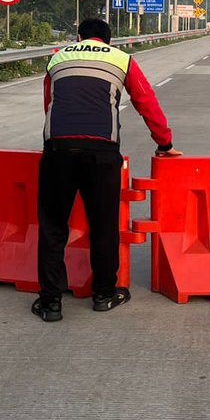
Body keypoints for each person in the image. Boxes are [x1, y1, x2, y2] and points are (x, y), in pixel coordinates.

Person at [34, 18, 181, 322]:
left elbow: (50, 104)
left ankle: (50, 303)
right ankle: (104, 294)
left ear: (78, 37)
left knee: (52, 226)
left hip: (58, 150)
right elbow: (146, 102)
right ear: (108, 41)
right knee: (103, 224)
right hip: (101, 152)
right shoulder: (121, 59)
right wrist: (164, 143)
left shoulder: (58, 57)